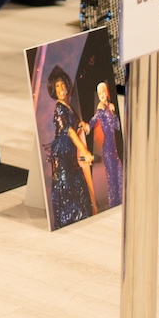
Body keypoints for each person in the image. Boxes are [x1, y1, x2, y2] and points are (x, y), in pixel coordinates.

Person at [45, 69, 95, 228]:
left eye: (62, 85)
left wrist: (82, 124)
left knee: (78, 191)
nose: (60, 89)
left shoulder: (67, 107)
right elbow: (69, 131)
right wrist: (85, 151)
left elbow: (74, 126)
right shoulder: (59, 108)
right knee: (68, 194)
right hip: (63, 157)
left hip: (70, 156)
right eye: (57, 86)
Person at [90, 82, 124, 210]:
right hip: (107, 147)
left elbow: (117, 126)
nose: (102, 95)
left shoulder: (110, 107)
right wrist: (88, 126)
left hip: (114, 147)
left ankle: (120, 201)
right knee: (112, 176)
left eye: (104, 92)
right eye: (100, 93)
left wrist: (113, 113)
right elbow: (94, 119)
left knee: (119, 172)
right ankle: (114, 203)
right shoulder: (101, 108)